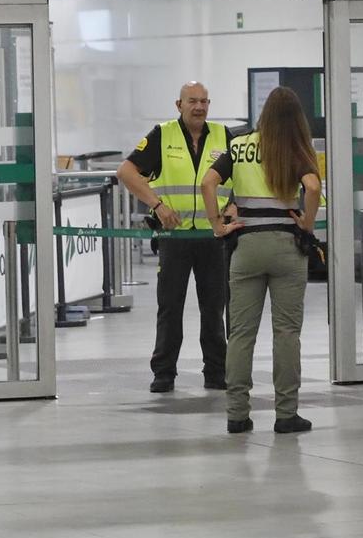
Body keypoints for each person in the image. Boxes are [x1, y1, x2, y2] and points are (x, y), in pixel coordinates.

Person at [203, 85, 321, 436]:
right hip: (287, 245)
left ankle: (237, 414)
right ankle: (286, 414)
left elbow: (208, 183)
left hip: (247, 246)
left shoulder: (238, 146)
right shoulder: (296, 148)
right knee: (286, 333)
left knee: (241, 333)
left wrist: (217, 225)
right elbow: (312, 188)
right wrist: (308, 223)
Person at [118, 83, 231, 393]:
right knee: (170, 307)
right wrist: (157, 205)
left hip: (213, 237)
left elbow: (241, 178)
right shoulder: (163, 134)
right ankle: (164, 373)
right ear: (178, 104)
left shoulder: (224, 136)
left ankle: (216, 373)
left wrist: (232, 206)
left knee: (214, 308)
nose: (199, 107)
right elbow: (126, 172)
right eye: (192, 101)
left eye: (204, 101)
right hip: (174, 236)